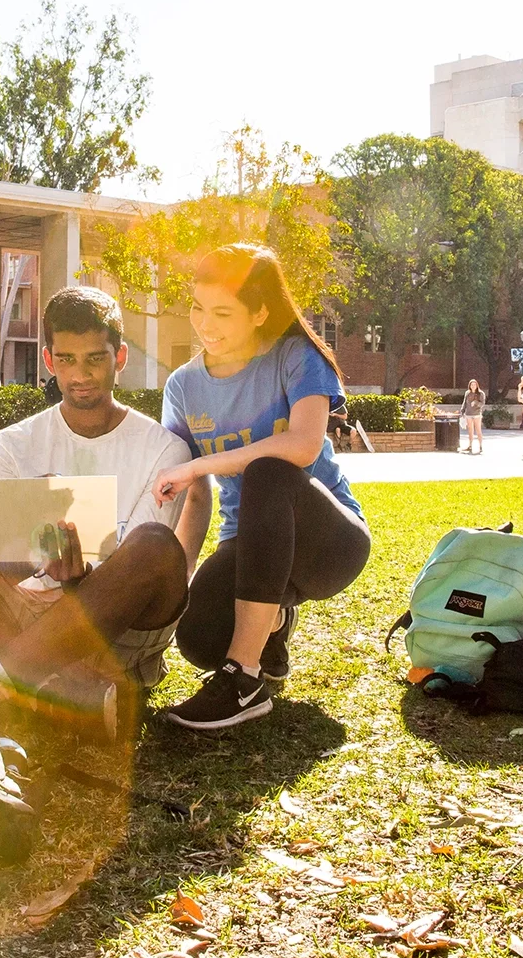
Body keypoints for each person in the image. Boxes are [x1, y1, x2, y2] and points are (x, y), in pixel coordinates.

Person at [0, 287, 210, 739]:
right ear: (49, 360)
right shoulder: (11, 445)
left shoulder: (163, 449)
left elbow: (135, 580)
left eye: (96, 358)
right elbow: (6, 564)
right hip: (19, 615)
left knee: (156, 545)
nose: (82, 374)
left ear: (120, 359)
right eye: (68, 359)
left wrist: (77, 579)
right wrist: (32, 557)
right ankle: (64, 691)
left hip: (116, 630)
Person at [153, 245, 371, 731]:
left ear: (260, 313)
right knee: (198, 636)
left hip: (328, 544)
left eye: (223, 312)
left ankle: (244, 682)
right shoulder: (184, 387)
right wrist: (178, 576)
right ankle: (271, 625)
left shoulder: (296, 356)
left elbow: (302, 447)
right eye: (198, 307)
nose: (205, 324)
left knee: (269, 469)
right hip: (253, 548)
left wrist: (202, 462)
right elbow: (195, 492)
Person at [460, 379, 485, 454]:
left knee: (478, 430)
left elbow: (482, 403)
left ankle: (480, 446)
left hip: (477, 414)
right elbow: (464, 403)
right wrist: (462, 411)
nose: (473, 386)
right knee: (470, 431)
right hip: (468, 414)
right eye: (471, 385)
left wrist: (476, 402)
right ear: (469, 386)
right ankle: (470, 445)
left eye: (474, 385)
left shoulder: (481, 393)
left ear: (477, 385)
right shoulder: (467, 393)